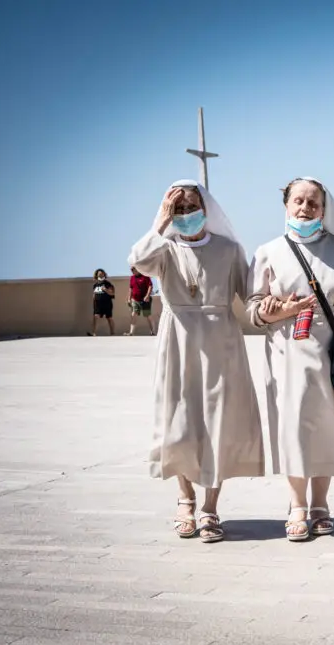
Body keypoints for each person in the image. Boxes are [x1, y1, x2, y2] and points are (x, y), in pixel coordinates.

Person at [130, 179, 264, 543]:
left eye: (192, 207)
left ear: (206, 209)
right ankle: (185, 499)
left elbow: (251, 295)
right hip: (179, 341)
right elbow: (138, 261)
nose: (186, 214)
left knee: (219, 423)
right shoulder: (164, 248)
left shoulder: (228, 249)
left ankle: (210, 507)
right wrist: (160, 222)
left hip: (221, 342)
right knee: (180, 422)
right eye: (179, 209)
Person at [247, 176, 334, 542]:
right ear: (286, 205)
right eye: (299, 201)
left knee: (326, 425)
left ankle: (320, 504)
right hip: (288, 348)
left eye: (313, 203)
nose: (305, 208)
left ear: (323, 210)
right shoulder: (267, 252)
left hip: (333, 347)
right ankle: (296, 505)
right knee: (292, 425)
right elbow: (253, 309)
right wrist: (276, 310)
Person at [126, 267, 155, 336]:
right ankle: (131, 332)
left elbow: (150, 286)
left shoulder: (145, 276)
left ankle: (153, 331)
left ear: (138, 269)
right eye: (132, 270)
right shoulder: (132, 278)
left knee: (147, 315)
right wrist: (129, 298)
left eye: (134, 270)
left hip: (145, 300)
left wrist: (147, 296)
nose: (133, 271)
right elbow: (131, 288)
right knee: (133, 314)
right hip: (135, 300)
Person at [89, 269, 115, 336]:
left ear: (104, 274)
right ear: (96, 275)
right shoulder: (95, 285)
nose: (100, 275)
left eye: (102, 274)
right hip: (97, 304)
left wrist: (105, 290)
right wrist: (93, 302)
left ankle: (112, 333)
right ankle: (93, 333)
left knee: (109, 318)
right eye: (99, 274)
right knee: (95, 317)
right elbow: (94, 294)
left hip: (107, 304)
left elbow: (112, 293)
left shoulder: (108, 283)